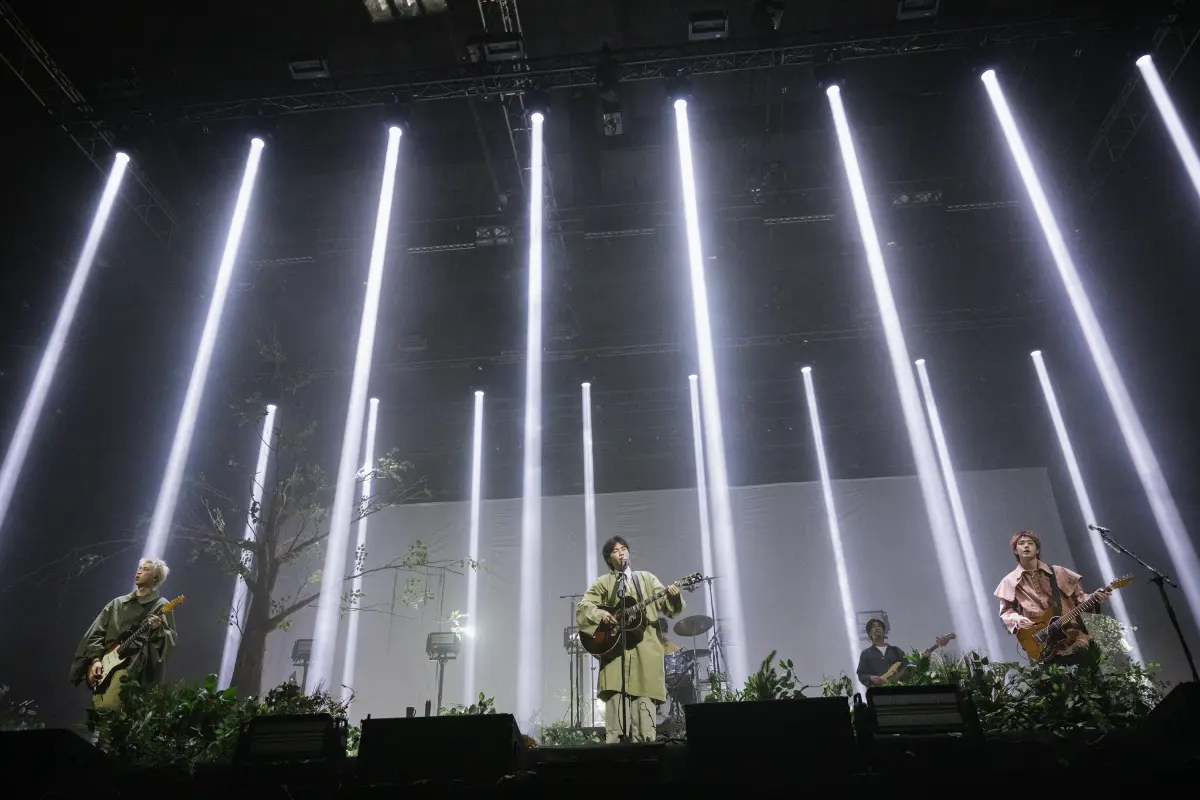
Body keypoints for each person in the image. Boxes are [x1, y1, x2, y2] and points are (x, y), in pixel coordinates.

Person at [576, 536, 684, 743]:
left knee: (645, 730)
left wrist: (673, 596)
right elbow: (583, 607)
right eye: (616, 550)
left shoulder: (646, 579)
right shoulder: (604, 583)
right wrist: (601, 615)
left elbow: (668, 608)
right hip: (615, 659)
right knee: (616, 731)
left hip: (646, 658)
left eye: (624, 548)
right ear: (609, 559)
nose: (622, 552)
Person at [70, 558, 178, 710]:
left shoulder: (161, 605)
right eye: (139, 567)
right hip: (105, 669)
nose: (139, 571)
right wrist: (95, 660)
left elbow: (169, 639)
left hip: (131, 670)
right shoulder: (117, 603)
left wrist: (157, 629)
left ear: (155, 577)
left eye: (145, 569)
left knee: (111, 709)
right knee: (100, 715)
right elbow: (96, 633)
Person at [994, 530, 1111, 667]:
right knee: (1056, 686)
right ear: (1015, 550)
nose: (1026, 546)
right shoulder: (1009, 582)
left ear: (1037, 549)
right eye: (1021, 543)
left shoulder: (1058, 572)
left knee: (1090, 684)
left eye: (1030, 543)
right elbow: (1006, 612)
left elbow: (1080, 598)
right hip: (1042, 643)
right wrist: (1017, 620)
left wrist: (1094, 597)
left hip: (1075, 639)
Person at [855, 618, 908, 687]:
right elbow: (861, 673)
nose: (877, 628)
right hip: (877, 692)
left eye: (879, 626)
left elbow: (907, 667)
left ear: (884, 631)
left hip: (897, 691)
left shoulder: (896, 651)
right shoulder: (865, 653)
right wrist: (870, 678)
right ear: (869, 633)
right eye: (873, 627)